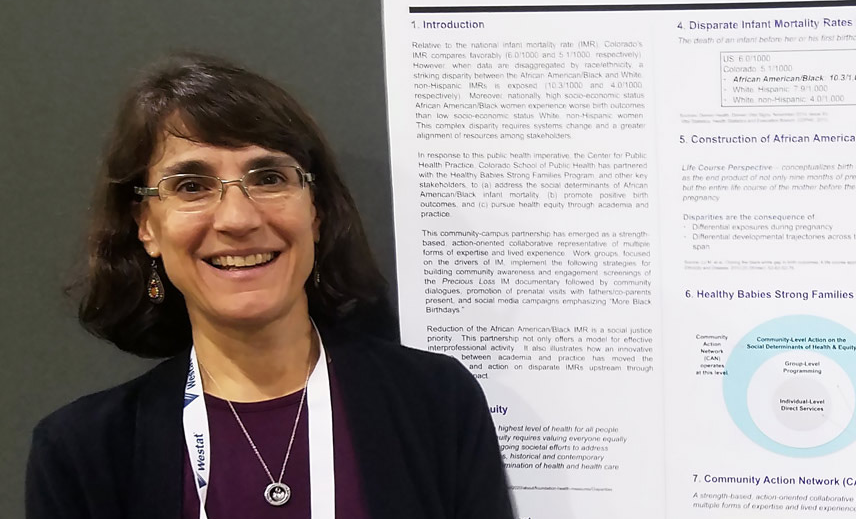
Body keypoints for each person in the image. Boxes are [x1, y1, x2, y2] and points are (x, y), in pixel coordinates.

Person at [26, 52, 516, 519]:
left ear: (316, 211)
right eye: (191, 186)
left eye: (268, 178)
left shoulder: (434, 402)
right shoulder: (81, 454)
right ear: (146, 226)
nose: (238, 219)